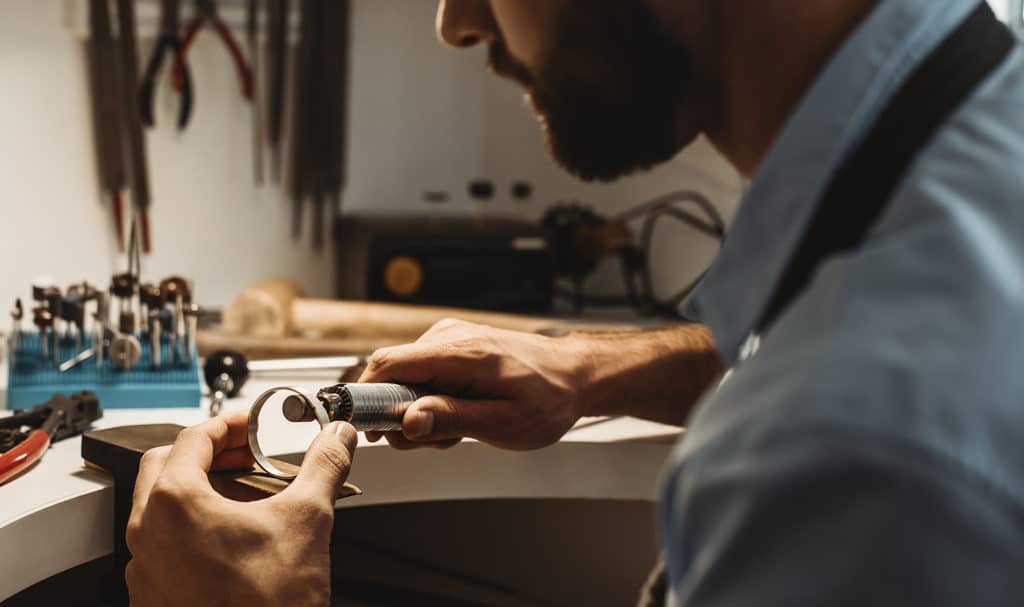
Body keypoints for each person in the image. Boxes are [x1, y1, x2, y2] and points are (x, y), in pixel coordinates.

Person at [126, 0, 1024, 605]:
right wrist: (592, 369)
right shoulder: (979, 146)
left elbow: (844, 396)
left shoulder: (849, 453)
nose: (455, 21)